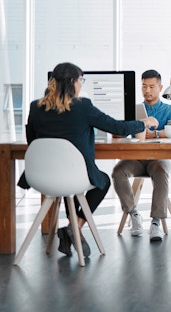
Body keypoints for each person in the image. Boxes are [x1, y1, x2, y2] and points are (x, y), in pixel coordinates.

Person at [19, 62, 158, 257]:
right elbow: (117, 127)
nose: (82, 85)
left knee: (68, 182)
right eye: (81, 80)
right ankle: (74, 227)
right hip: (74, 176)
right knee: (101, 181)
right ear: (71, 82)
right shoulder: (82, 106)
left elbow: (31, 141)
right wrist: (144, 123)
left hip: (42, 176)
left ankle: (71, 228)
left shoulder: (36, 106)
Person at [112, 70, 171, 242]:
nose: (147, 90)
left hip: (161, 159)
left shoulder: (170, 110)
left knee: (160, 170)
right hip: (137, 159)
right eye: (144, 86)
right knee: (118, 171)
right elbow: (122, 133)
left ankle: (156, 222)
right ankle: (134, 214)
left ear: (160, 87)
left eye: (151, 86)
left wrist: (155, 134)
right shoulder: (133, 110)